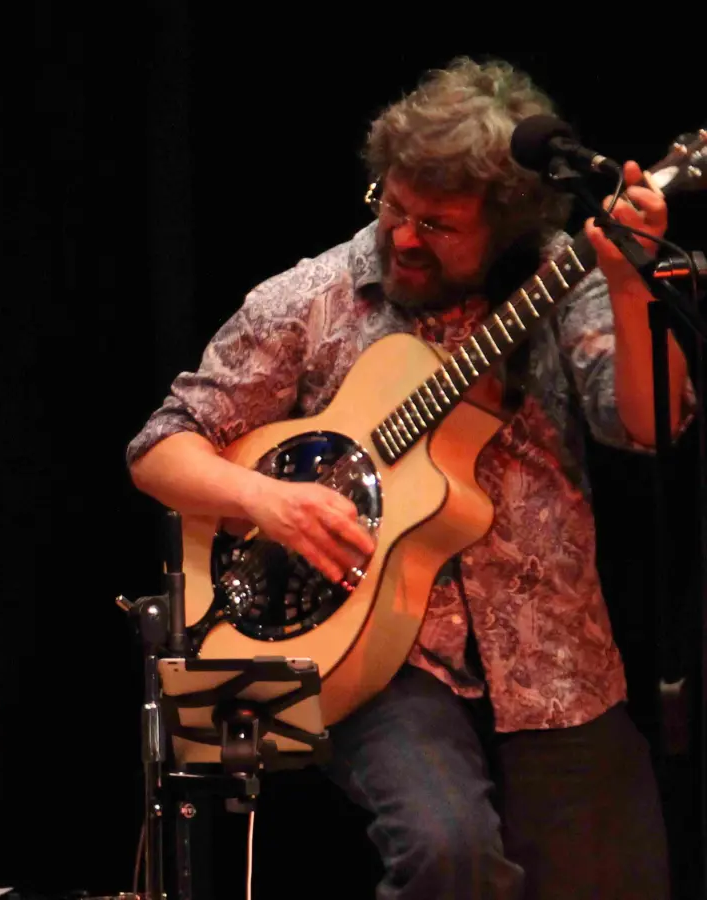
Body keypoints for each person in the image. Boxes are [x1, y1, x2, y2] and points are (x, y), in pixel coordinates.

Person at [127, 58, 684, 899]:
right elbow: (161, 447)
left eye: (441, 225)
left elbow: (647, 426)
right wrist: (267, 501)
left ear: (507, 223)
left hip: (556, 661)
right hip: (380, 660)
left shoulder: (560, 279)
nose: (405, 237)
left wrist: (626, 280)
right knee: (446, 854)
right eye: (393, 206)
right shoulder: (312, 297)